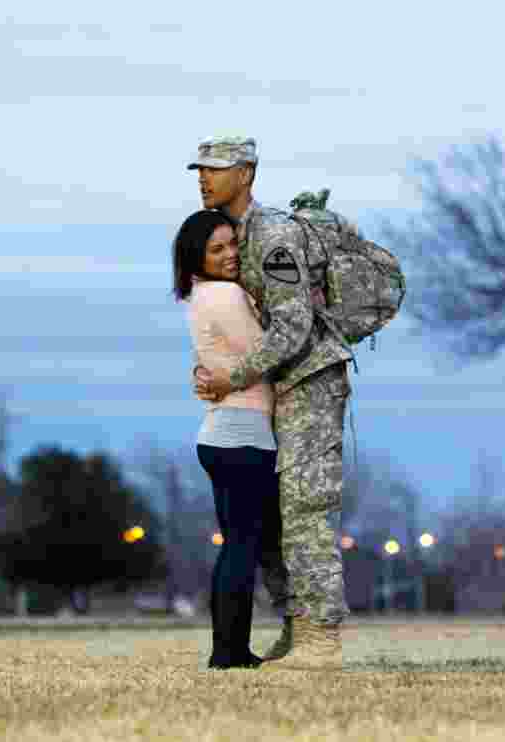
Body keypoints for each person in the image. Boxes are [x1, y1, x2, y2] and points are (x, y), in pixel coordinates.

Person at [187, 134, 353, 670]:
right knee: (276, 520)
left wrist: (229, 376)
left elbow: (293, 326)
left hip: (309, 382)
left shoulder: (275, 235)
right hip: (272, 390)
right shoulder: (234, 237)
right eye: (201, 168)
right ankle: (294, 628)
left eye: (216, 168)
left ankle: (321, 636)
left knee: (305, 509)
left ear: (247, 173)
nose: (203, 177)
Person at [172, 208, 290, 670]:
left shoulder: (202, 296)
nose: (230, 255)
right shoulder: (224, 295)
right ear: (196, 257)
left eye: (232, 244)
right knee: (243, 546)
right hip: (243, 436)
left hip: (223, 434)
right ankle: (229, 652)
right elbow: (268, 351)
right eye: (216, 249)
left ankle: (229, 648)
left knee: (237, 544)